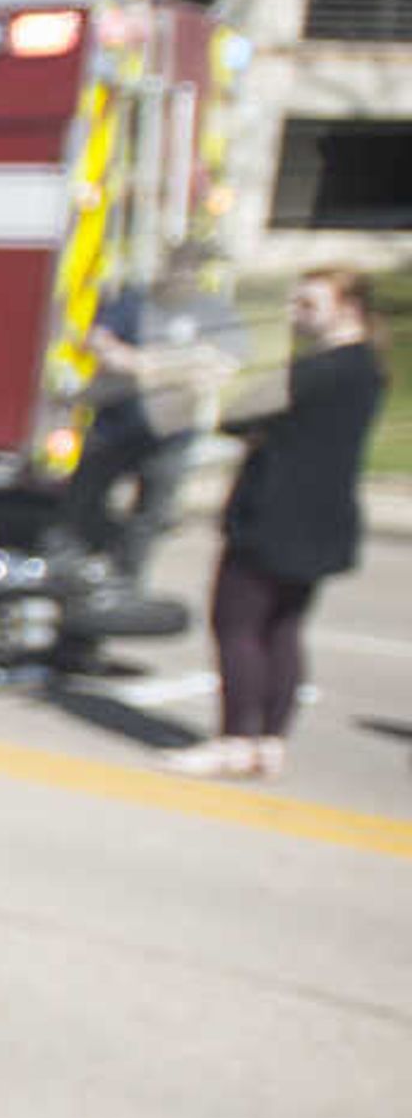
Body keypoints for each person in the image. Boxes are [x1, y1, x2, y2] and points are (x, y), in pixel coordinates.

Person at [164, 267, 389, 782]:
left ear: (348, 308)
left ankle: (235, 739)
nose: (296, 315)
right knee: (284, 627)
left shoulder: (318, 369)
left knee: (238, 624)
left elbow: (238, 415)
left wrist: (219, 385)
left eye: (309, 305)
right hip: (324, 515)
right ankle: (269, 741)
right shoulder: (367, 368)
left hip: (274, 514)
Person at [54, 240, 236, 579]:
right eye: (182, 267)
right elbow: (99, 343)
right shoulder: (135, 301)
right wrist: (172, 366)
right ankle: (72, 568)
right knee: (81, 506)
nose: (187, 276)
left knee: (152, 515)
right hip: (116, 425)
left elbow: (217, 366)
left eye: (195, 269)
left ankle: (127, 578)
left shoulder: (211, 311)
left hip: (171, 433)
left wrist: (141, 363)